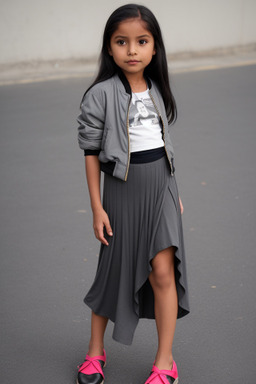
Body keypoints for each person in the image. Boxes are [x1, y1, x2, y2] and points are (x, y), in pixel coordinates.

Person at [76, 4, 189, 384]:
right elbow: (91, 154)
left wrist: (175, 193)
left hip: (161, 187)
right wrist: (96, 207)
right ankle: (95, 352)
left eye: (142, 41)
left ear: (155, 47)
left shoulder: (158, 88)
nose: (132, 50)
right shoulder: (99, 95)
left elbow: (164, 144)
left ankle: (164, 362)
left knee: (162, 272)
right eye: (122, 42)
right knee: (112, 272)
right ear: (109, 48)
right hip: (121, 193)